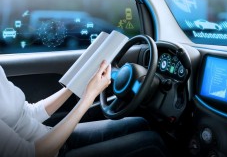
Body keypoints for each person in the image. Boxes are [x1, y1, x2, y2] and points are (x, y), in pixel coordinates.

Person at [0, 60, 168, 157]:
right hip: (48, 152)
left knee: (140, 123)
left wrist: (74, 85)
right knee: (153, 142)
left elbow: (29, 112)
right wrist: (89, 96)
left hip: (50, 135)